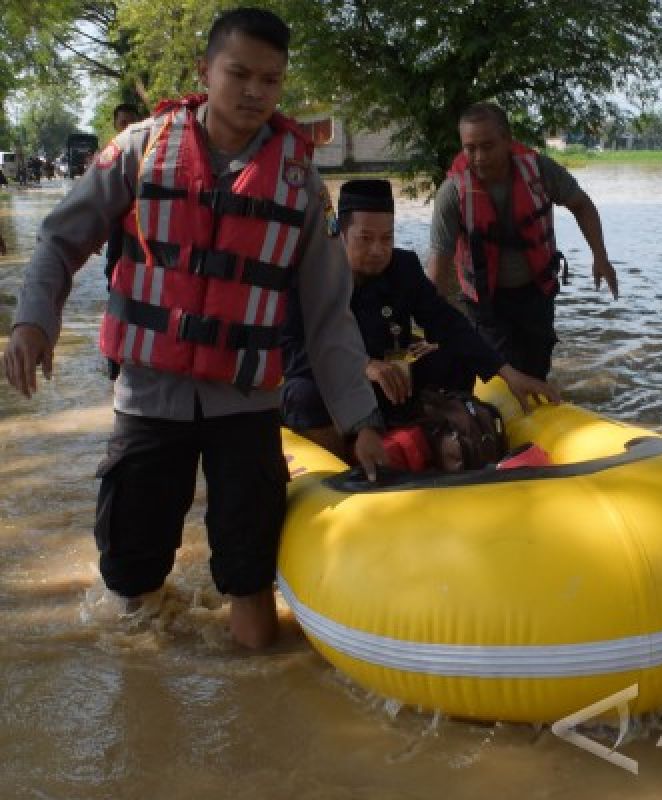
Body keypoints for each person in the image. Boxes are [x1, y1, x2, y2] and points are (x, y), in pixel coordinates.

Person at [1, 7, 388, 650]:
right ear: (205, 70)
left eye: (272, 79)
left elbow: (329, 315)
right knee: (132, 587)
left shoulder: (297, 181)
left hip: (247, 407)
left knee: (250, 583)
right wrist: (33, 323)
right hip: (150, 400)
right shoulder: (140, 149)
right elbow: (58, 242)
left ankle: (252, 724)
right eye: (239, 73)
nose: (255, 92)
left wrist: (361, 421)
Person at [282, 179, 561, 459]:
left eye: (387, 238)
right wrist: (361, 366)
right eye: (365, 239)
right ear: (340, 236)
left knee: (454, 360)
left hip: (392, 385)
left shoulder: (404, 268)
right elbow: (289, 351)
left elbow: (447, 321)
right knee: (302, 393)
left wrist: (507, 373)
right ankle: (344, 465)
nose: (378, 250)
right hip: (336, 387)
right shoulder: (308, 277)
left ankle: (441, 433)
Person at [426, 102, 619, 380]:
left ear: (507, 140)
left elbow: (582, 204)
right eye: (470, 148)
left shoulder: (540, 171)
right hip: (485, 302)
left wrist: (600, 256)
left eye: (488, 146)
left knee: (537, 368)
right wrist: (432, 321)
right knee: (504, 372)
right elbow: (438, 263)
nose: (479, 157)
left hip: (536, 295)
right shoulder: (452, 193)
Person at [103, 103, 145, 292]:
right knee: (114, 266)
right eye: (123, 123)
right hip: (117, 224)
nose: (128, 127)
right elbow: (98, 198)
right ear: (116, 125)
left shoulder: (153, 151)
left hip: (144, 224)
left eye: (133, 122)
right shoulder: (108, 155)